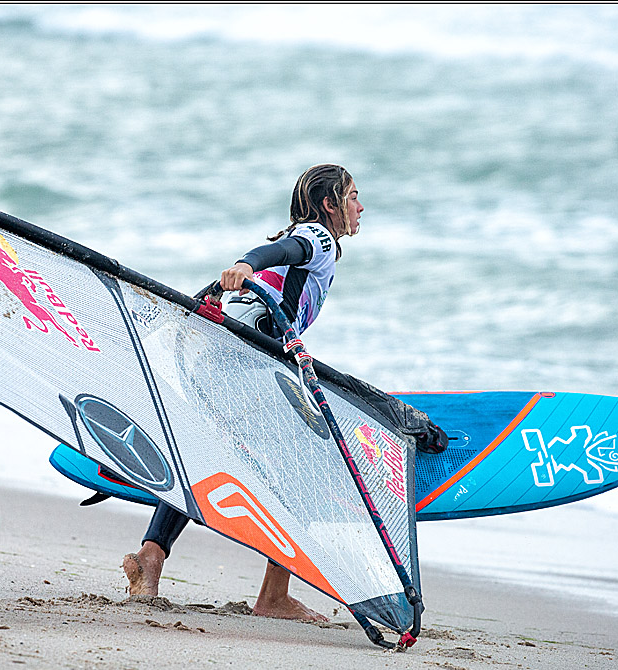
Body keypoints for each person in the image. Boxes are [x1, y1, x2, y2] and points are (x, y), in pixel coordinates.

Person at [122, 164, 445, 622]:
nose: (361, 206)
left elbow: (275, 264)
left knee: (207, 455)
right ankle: (273, 596)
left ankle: (150, 560)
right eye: (352, 196)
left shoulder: (306, 238)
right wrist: (244, 265)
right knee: (302, 468)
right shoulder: (320, 239)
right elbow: (279, 251)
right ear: (331, 204)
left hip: (218, 362)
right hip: (245, 368)